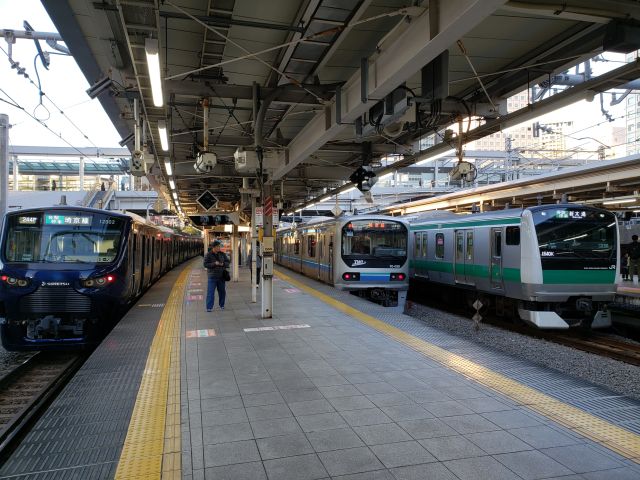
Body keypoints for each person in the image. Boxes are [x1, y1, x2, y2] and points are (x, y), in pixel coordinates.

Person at [203, 240, 230, 311]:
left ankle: (222, 305)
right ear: (213, 247)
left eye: (219, 246)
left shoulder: (222, 254)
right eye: (218, 246)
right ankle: (209, 307)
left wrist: (223, 264)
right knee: (210, 292)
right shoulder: (208, 255)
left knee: (222, 292)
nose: (219, 248)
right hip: (212, 277)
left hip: (221, 276)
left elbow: (227, 262)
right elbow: (205, 264)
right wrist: (214, 264)